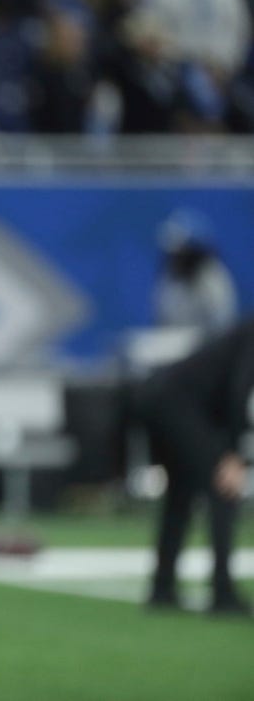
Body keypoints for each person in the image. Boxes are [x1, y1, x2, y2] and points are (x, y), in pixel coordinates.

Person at [136, 317, 253, 616]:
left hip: (163, 400)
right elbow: (237, 389)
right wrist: (231, 454)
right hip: (178, 406)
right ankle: (222, 593)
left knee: (180, 495)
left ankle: (162, 588)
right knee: (223, 491)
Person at [152, 208, 238, 336]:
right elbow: (161, 322)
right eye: (173, 255)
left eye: (182, 253)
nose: (176, 259)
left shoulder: (212, 277)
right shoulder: (169, 279)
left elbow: (223, 323)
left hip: (209, 347)